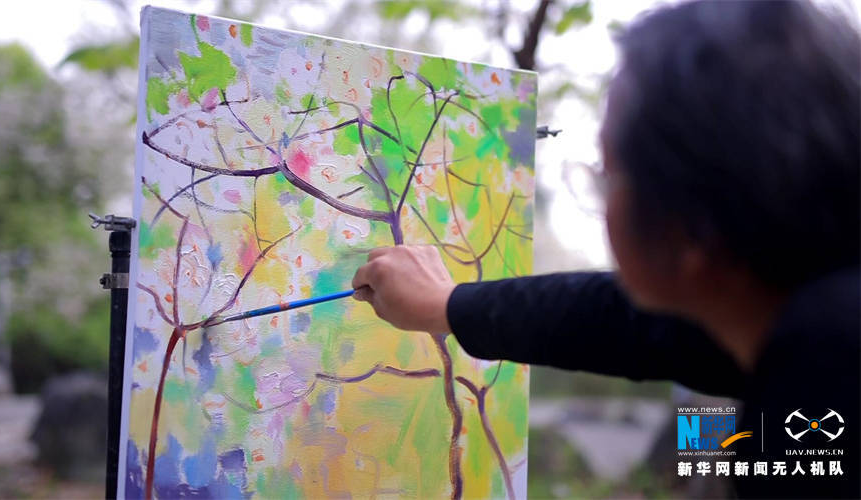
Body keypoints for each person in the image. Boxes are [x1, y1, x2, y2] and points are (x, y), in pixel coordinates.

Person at [351, 1, 860, 498]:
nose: (600, 196)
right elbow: (616, 321)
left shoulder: (821, 376)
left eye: (606, 178)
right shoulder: (797, 315)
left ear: (689, 232)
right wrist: (448, 304)